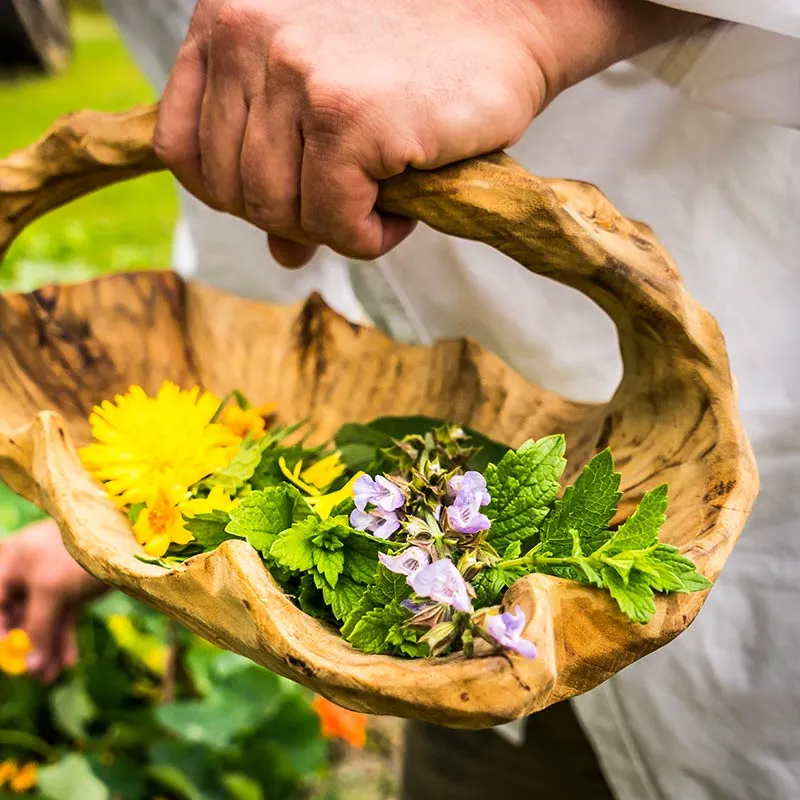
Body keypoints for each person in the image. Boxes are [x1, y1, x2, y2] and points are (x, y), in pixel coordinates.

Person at [1, 1, 798, 797]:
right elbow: (245, 185)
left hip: (752, 399)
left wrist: (533, 21)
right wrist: (146, 515)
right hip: (469, 646)